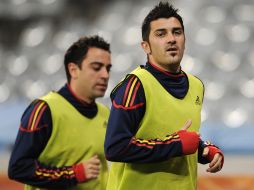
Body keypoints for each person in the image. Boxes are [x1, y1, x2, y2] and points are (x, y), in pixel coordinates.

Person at [104, 2, 224, 190]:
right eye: (161, 34)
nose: (171, 39)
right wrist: (175, 145)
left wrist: (205, 150)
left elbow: (181, 137)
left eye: (177, 32)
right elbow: (115, 147)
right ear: (146, 46)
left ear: (185, 40)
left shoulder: (196, 86)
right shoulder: (135, 86)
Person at [8, 35, 112, 190]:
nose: (105, 75)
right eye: (96, 67)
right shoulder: (44, 109)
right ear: (73, 70)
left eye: (108, 68)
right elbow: (18, 168)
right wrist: (73, 174)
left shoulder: (106, 114)